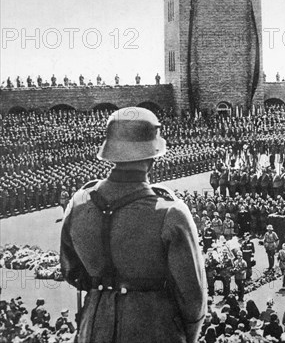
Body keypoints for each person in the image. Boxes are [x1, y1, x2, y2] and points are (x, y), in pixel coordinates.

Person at [60, 107, 207, 343]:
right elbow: (193, 301)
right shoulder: (171, 212)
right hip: (154, 329)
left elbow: (71, 272)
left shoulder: (78, 203)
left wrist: (105, 290)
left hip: (93, 327)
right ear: (152, 157)